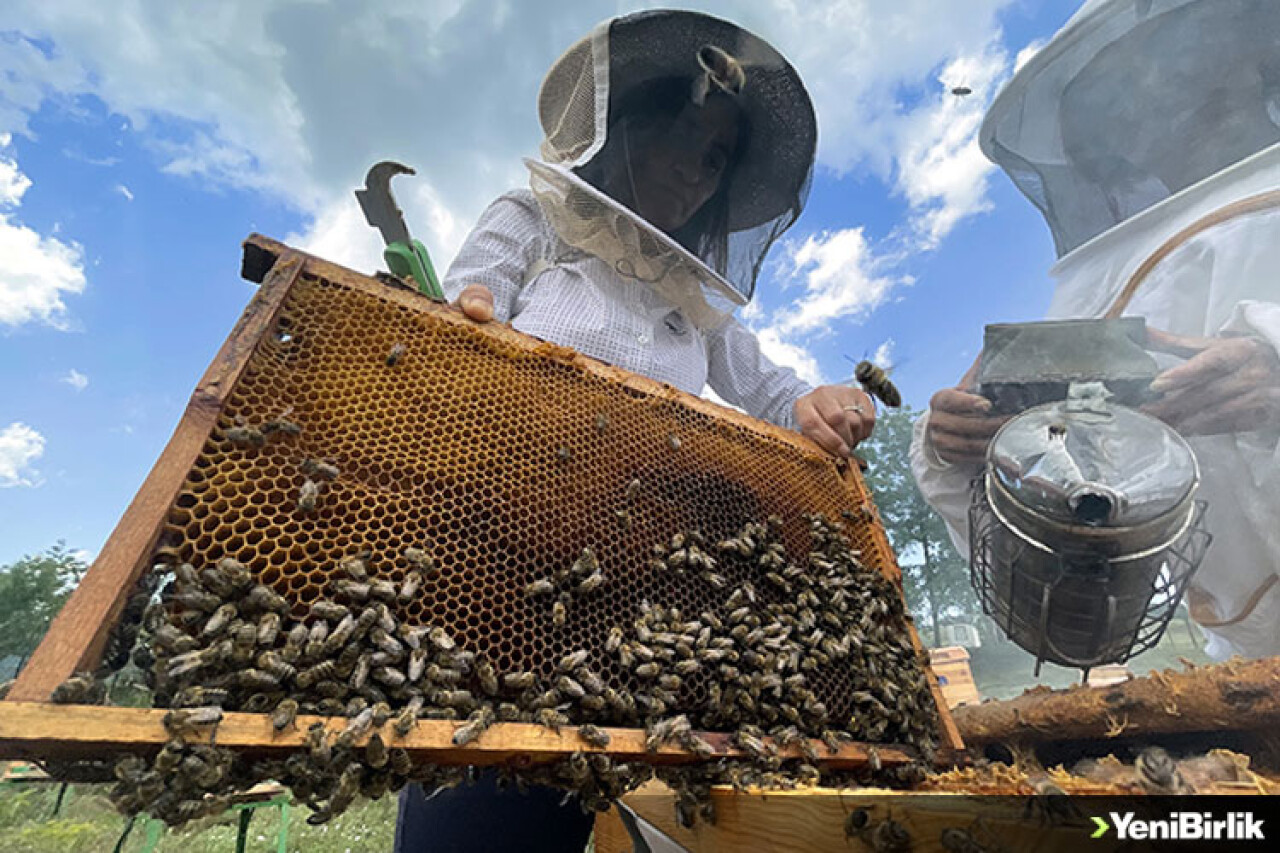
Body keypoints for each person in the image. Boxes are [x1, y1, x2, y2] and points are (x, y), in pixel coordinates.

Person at [395, 10, 875, 852]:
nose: (699, 168)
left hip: (626, 599)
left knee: (569, 798)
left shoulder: (692, 294)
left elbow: (773, 392)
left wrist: (818, 403)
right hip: (499, 570)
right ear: (627, 126)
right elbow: (467, 313)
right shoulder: (535, 219)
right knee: (469, 806)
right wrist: (469, 320)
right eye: (686, 133)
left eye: (718, 157)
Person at [910, 0, 1280, 661]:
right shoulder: (1104, 273)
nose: (1152, 108)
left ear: (1244, 63)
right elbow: (1066, 498)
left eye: (1173, 69)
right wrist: (963, 446)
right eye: (1129, 96)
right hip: (1247, 656)